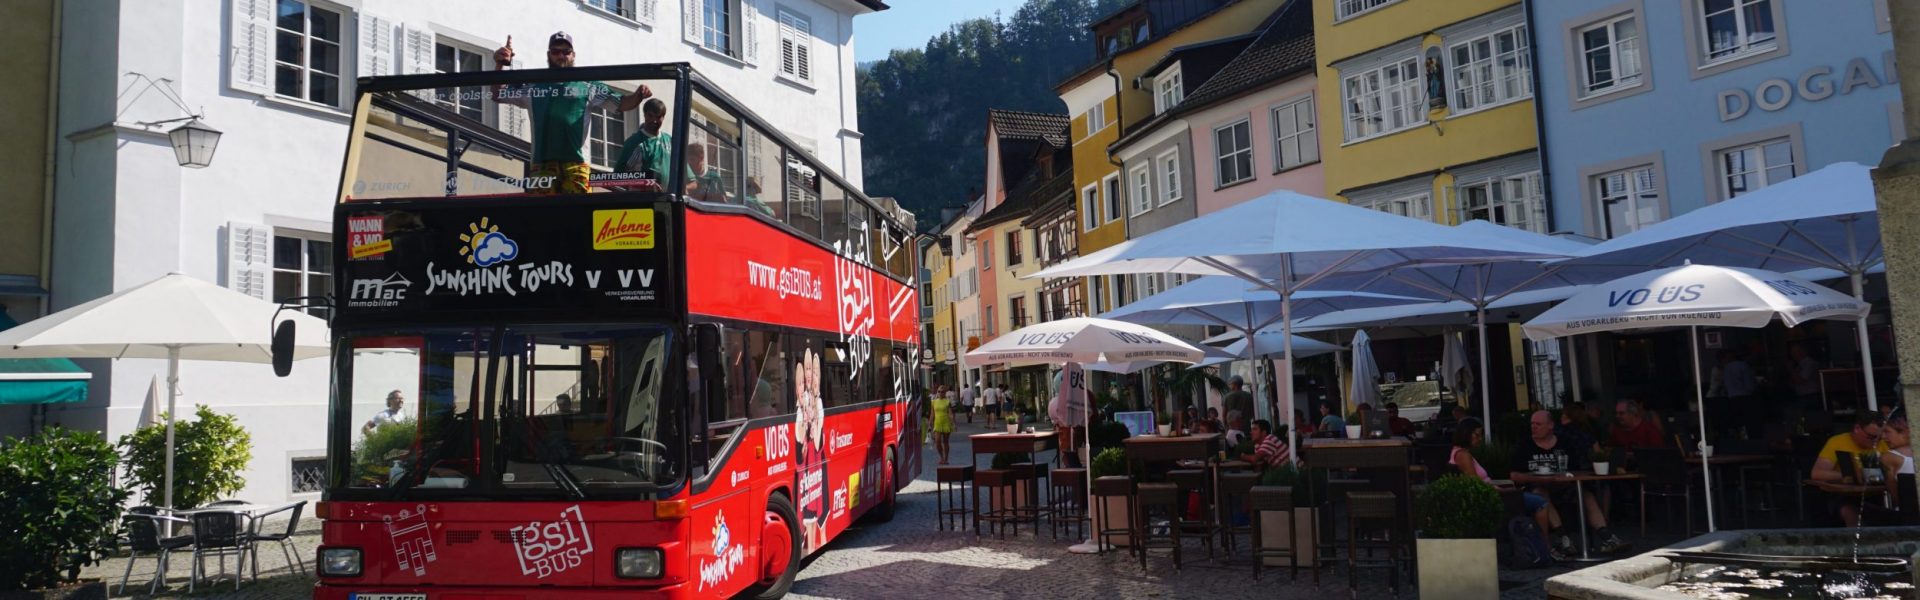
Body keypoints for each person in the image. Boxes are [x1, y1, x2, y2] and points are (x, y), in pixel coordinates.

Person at [493, 32, 649, 195]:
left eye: (566, 52)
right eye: (556, 51)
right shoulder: (534, 85)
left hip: (577, 163)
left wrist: (639, 95)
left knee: (579, 209)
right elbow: (498, 95)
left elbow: (622, 103)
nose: (561, 56)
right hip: (542, 163)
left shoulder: (588, 85)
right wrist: (499, 64)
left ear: (573, 55)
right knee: (541, 210)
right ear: (548, 54)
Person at [1513, 410, 1627, 555]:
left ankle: (1607, 537)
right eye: (1532, 424)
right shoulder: (1525, 445)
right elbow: (1514, 475)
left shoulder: (1565, 443)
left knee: (1586, 495)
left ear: (1550, 425)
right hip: (1538, 487)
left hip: (1564, 485)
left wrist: (1565, 478)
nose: (1534, 427)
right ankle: (1563, 538)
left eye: (1538, 424)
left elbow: (1575, 469)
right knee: (1540, 495)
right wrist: (1538, 479)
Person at [1451, 417, 1565, 561]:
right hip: (1494, 497)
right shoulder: (1463, 455)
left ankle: (1543, 544)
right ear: (1466, 434)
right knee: (1541, 502)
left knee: (1537, 497)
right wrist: (1502, 490)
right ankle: (1544, 546)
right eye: (1477, 435)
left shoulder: (1460, 453)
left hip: (1493, 492)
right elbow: (1476, 485)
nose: (1479, 439)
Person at [1811, 412, 1890, 526]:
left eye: (1879, 438)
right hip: (1843, 496)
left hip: (1874, 495)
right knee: (1850, 512)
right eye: (1871, 437)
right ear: (1857, 429)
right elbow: (1817, 473)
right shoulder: (1838, 442)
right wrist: (1853, 474)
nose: (1875, 442)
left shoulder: (1882, 444)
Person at [614, 98, 676, 190]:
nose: (654, 120)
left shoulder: (670, 141)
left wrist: (683, 189)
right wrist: (644, 183)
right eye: (650, 116)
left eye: (658, 117)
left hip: (668, 197)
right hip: (643, 198)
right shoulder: (633, 142)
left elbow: (689, 179)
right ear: (644, 115)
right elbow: (617, 177)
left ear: (663, 117)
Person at [1789, 345, 1822, 410]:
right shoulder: (1799, 365)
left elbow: (1800, 380)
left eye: (1795, 352)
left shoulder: (1809, 363)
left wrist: (1791, 369)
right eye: (1792, 353)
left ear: (1802, 352)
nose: (1793, 355)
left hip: (1810, 396)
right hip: (1804, 396)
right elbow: (1793, 382)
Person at [930, 384, 954, 464]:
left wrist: (953, 423)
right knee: (937, 442)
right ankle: (941, 457)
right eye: (939, 391)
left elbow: (950, 413)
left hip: (946, 423)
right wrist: (930, 424)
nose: (940, 393)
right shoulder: (934, 402)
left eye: (942, 392)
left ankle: (946, 459)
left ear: (945, 393)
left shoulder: (947, 401)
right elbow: (932, 414)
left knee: (946, 442)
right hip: (937, 424)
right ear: (937, 392)